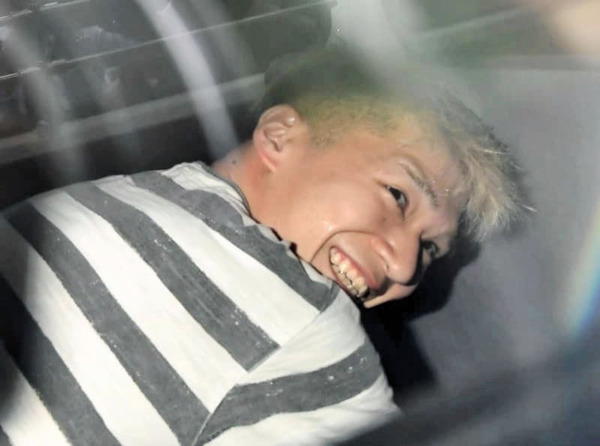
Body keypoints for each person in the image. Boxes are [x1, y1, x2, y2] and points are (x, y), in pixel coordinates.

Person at [0, 48, 523, 445]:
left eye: (429, 250)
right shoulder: (307, 321)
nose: (406, 265)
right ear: (278, 137)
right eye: (398, 196)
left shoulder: (107, 198)